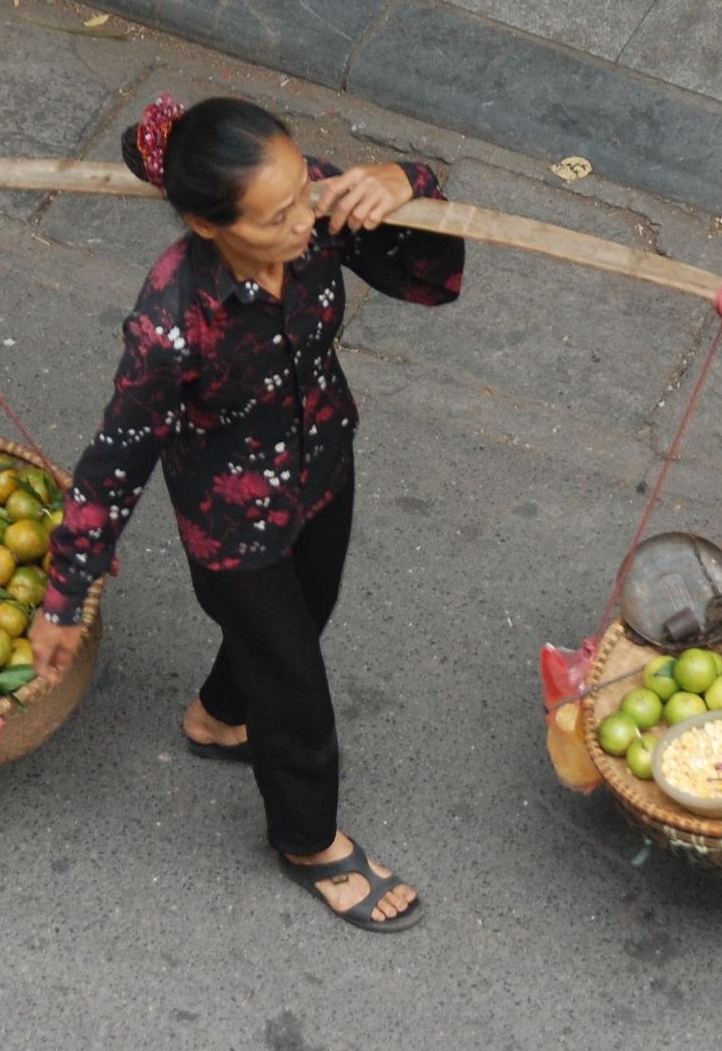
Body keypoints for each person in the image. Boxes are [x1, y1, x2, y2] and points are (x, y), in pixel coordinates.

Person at [27, 95, 463, 932]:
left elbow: (427, 282)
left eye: (307, 191)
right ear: (205, 223)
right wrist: (64, 594)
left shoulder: (311, 209)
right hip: (235, 528)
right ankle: (309, 841)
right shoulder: (171, 321)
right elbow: (116, 458)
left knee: (312, 612)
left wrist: (406, 184)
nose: (306, 222)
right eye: (276, 216)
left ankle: (219, 716)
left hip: (322, 460)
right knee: (295, 678)